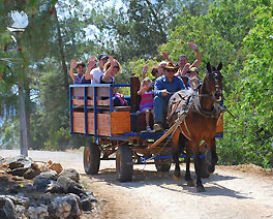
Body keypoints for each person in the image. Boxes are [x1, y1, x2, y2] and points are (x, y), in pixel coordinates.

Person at [153, 62, 185, 131]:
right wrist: (161, 92)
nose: (170, 72)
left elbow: (184, 91)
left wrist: (178, 96)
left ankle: (181, 123)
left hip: (176, 104)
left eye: (172, 70)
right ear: (164, 71)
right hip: (164, 104)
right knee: (157, 98)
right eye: (168, 70)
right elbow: (155, 91)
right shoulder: (159, 80)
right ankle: (159, 124)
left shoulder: (178, 80)